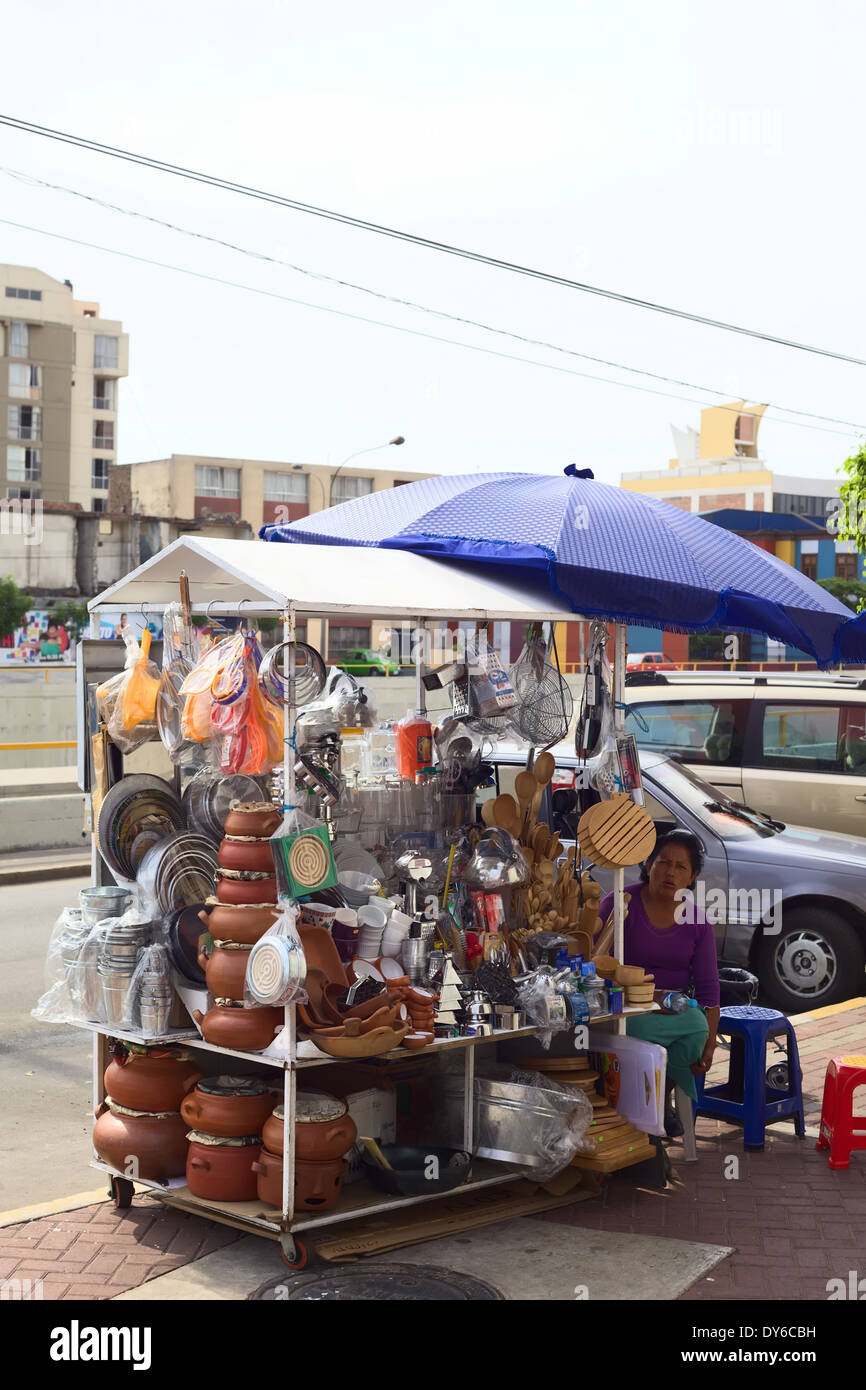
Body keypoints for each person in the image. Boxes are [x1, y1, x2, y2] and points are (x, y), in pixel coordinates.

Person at [598, 828, 720, 1137]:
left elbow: (708, 991)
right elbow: (594, 966)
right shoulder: (620, 902)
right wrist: (642, 995)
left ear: (691, 877)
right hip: (624, 1006)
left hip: (671, 1010)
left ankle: (653, 1105)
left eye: (681, 867)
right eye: (664, 862)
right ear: (649, 863)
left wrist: (709, 1045)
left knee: (696, 1027)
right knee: (633, 1031)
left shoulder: (697, 922)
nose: (670, 872)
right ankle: (649, 1114)